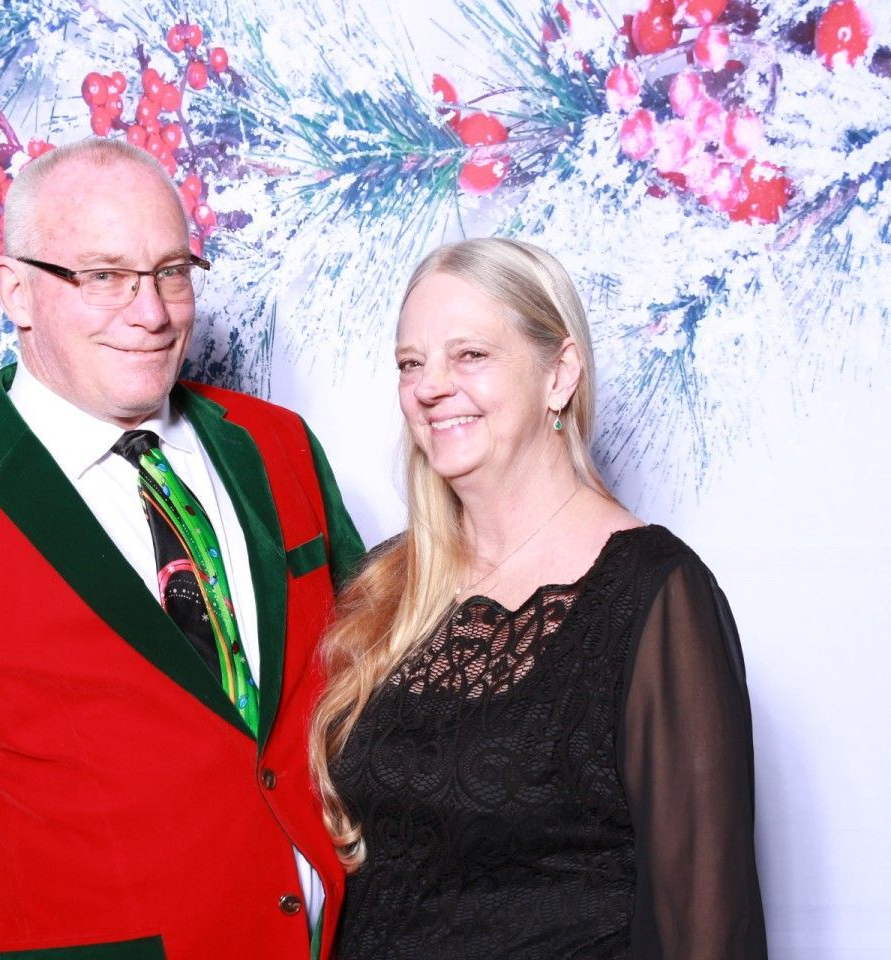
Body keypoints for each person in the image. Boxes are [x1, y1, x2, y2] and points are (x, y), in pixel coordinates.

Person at [0, 138, 364, 960]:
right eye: (104, 275)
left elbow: (375, 709)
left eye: (171, 271)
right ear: (17, 291)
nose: (150, 312)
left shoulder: (276, 446)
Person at [310, 238, 767, 959]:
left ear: (559, 373)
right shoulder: (385, 584)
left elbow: (706, 930)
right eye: (411, 363)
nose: (430, 386)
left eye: (470, 355)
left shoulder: (655, 595)